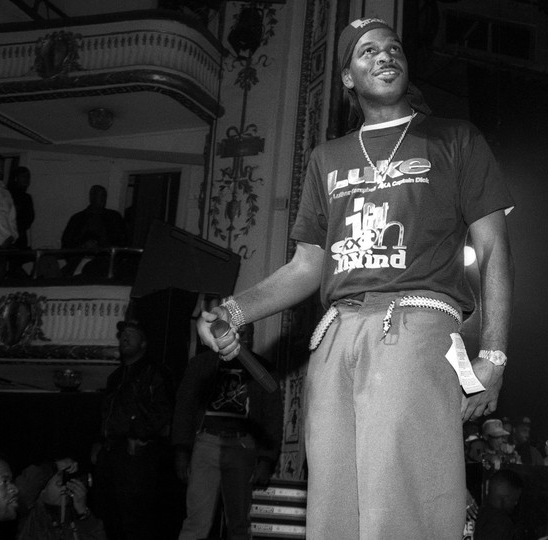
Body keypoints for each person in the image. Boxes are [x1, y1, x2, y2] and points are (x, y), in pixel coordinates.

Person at [196, 17, 514, 539]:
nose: (385, 56)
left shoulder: (455, 139)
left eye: (393, 49)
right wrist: (232, 311)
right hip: (336, 334)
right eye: (367, 52)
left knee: (400, 500)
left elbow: (495, 251)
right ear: (347, 77)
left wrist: (495, 354)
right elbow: (308, 265)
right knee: (334, 506)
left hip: (414, 325)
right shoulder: (327, 158)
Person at [172, 323, 283, 540]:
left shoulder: (261, 369)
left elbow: (273, 416)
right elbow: (184, 408)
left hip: (243, 445)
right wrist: (182, 451)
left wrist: (266, 460)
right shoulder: (202, 364)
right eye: (236, 332)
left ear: (252, 337)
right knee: (196, 521)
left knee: (240, 523)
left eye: (246, 334)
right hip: (206, 442)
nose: (241, 337)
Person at [93, 319, 173, 540]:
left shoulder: (155, 372)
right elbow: (107, 414)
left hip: (137, 456)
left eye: (132, 333)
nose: (125, 337)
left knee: (135, 520)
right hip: (111, 455)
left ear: (144, 343)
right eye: (123, 334)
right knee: (110, 517)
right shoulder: (115, 377)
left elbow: (163, 411)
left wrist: (137, 435)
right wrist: (100, 442)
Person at [14, 457, 105, 540]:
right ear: (41, 490)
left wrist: (84, 514)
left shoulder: (74, 517)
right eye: (59, 482)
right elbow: (22, 489)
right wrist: (56, 466)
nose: (64, 487)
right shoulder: (31, 514)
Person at [60, 185, 127, 277]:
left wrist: (103, 248)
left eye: (105, 196)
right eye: (101, 196)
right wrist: (83, 247)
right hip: (80, 262)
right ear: (92, 197)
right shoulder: (77, 219)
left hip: (106, 264)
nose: (104, 199)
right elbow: (67, 244)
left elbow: (122, 241)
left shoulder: (114, 217)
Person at [473, 468, 525, 540]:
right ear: (506, 498)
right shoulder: (503, 523)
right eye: (515, 499)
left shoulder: (476, 514)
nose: (516, 503)